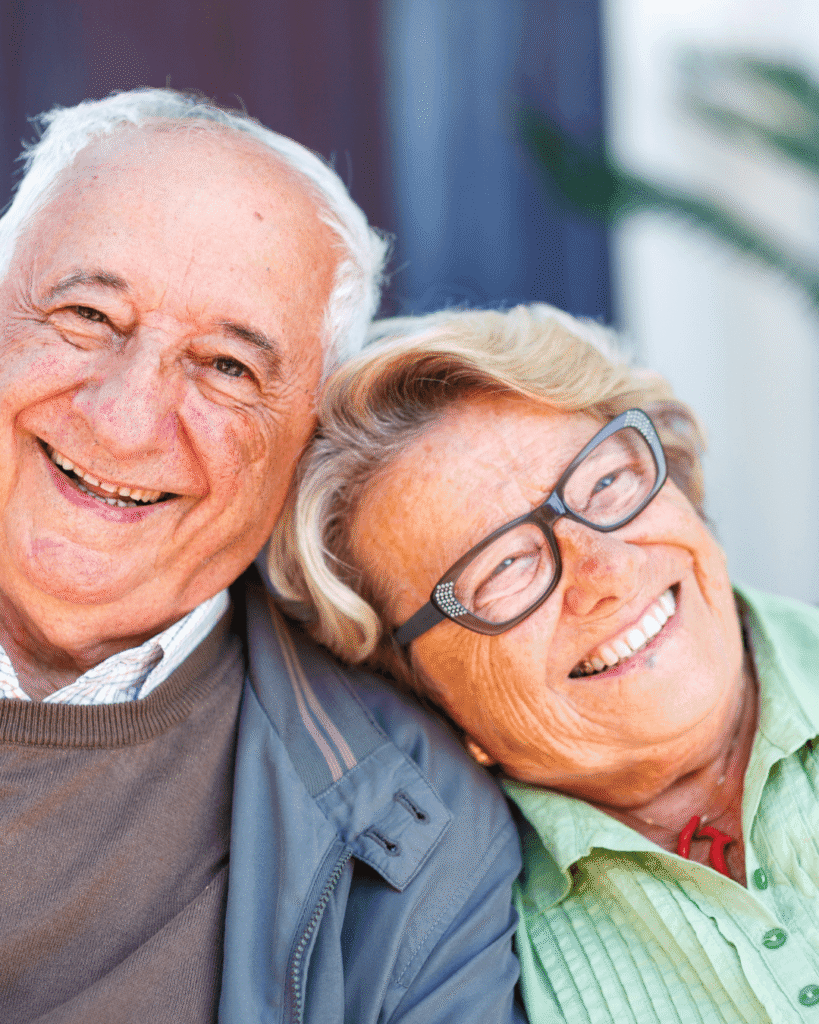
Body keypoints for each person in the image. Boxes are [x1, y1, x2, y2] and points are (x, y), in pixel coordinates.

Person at [0, 91, 526, 1023]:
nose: (123, 418)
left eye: (227, 368)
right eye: (86, 314)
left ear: (305, 446)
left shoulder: (419, 834)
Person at [270, 303, 819, 1023]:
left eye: (603, 484)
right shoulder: (454, 956)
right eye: (504, 566)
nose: (606, 571)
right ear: (421, 686)